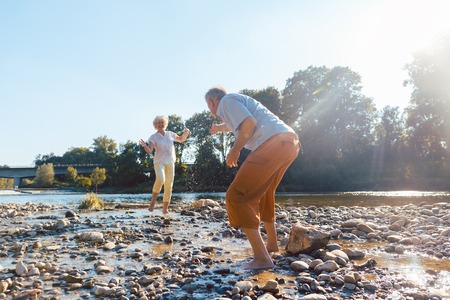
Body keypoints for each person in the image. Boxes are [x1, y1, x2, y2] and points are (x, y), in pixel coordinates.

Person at [205, 86, 301, 270]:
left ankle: (262, 258)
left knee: (236, 196)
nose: (212, 112)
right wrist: (219, 128)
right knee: (265, 193)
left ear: (212, 101)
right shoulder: (236, 102)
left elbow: (248, 123)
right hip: (289, 143)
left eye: (209, 106)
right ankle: (272, 245)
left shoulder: (226, 101)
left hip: (272, 143)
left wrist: (235, 150)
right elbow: (236, 123)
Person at [139, 115, 190, 214]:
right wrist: (145, 146)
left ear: (165, 124)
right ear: (155, 125)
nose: (160, 124)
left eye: (162, 123)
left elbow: (181, 139)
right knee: (161, 179)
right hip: (159, 161)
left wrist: (186, 133)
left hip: (170, 162)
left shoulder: (170, 134)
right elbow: (150, 151)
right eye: (158, 123)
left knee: (169, 186)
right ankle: (152, 203)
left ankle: (165, 210)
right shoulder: (153, 137)